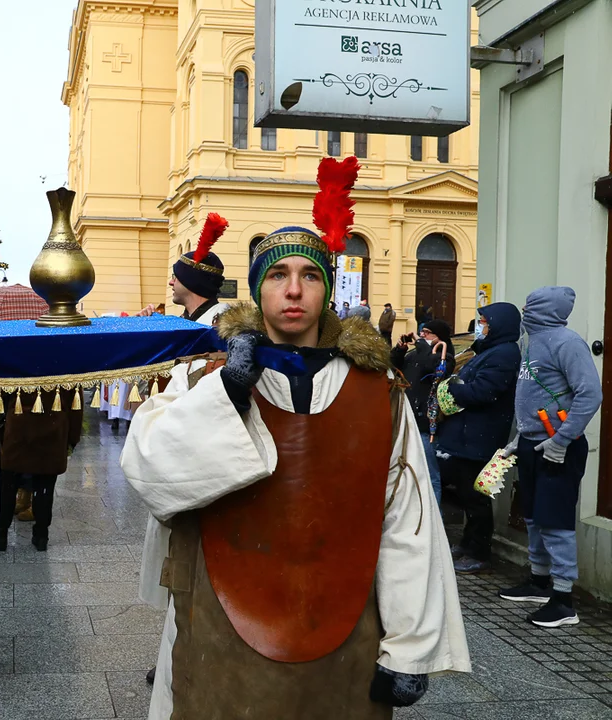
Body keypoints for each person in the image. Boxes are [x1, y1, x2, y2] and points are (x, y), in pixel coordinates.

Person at [120, 158, 469, 719]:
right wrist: (227, 396)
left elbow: (406, 518)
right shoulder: (202, 377)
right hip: (221, 611)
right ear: (259, 289)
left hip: (345, 614)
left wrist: (410, 646)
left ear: (326, 289)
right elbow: (151, 473)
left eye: (309, 275)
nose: (293, 291)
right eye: (278, 275)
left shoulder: (378, 390)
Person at [139, 212, 232, 685]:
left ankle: (189, 655)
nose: (170, 284)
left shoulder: (215, 329)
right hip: (178, 450)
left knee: (197, 569)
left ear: (189, 283)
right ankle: (179, 650)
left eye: (175, 278)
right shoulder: (192, 321)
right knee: (181, 569)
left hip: (202, 460)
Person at [498, 287, 602, 628]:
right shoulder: (530, 342)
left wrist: (562, 440)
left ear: (544, 309)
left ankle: (563, 600)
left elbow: (590, 394)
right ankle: (538, 582)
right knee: (533, 517)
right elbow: (534, 395)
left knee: (555, 522)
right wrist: (519, 438)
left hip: (558, 448)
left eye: (530, 303)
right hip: (532, 444)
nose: (524, 308)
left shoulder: (568, 343)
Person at [434, 302, 522, 574]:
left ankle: (479, 551)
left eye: (484, 322)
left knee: (475, 496)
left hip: (479, 436)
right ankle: (467, 543)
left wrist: (453, 389)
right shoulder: (490, 350)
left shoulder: (505, 354)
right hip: (467, 434)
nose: (480, 326)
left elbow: (484, 391)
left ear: (498, 325)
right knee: (465, 491)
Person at [0, 388, 82, 552]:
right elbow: (75, 401)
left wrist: (1, 430)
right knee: (45, 487)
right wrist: (72, 438)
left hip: (17, 426)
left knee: (8, 486)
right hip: (53, 426)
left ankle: (1, 536)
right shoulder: (67, 362)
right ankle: (41, 535)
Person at [390, 319, 455, 505]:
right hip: (406, 419)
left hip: (426, 425)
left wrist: (421, 344)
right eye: (422, 332)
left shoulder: (445, 356)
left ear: (439, 336)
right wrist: (400, 350)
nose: (423, 335)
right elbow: (392, 367)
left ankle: (434, 517)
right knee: (405, 471)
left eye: (427, 332)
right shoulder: (415, 355)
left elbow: (433, 367)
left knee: (428, 473)